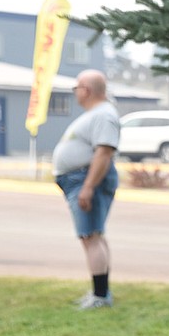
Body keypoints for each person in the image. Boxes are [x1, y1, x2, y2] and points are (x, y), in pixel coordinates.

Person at [52, 70, 120, 309]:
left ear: (86, 89)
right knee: (93, 235)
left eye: (76, 88)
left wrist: (88, 187)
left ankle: (100, 296)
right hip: (80, 180)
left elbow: (104, 152)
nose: (75, 93)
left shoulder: (104, 114)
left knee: (91, 236)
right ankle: (100, 292)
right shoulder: (97, 114)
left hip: (86, 180)